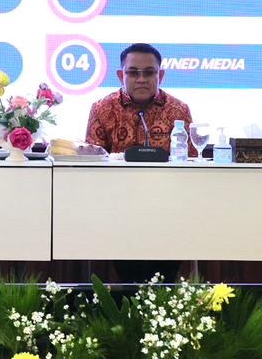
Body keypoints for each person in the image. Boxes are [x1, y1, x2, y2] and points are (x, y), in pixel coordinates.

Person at [84, 42, 196, 284]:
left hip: (169, 210)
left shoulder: (179, 110)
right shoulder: (102, 109)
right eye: (133, 72)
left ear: (160, 75)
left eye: (149, 72)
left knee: (163, 281)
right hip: (118, 210)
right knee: (129, 281)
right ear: (121, 75)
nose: (141, 79)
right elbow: (93, 162)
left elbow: (189, 163)